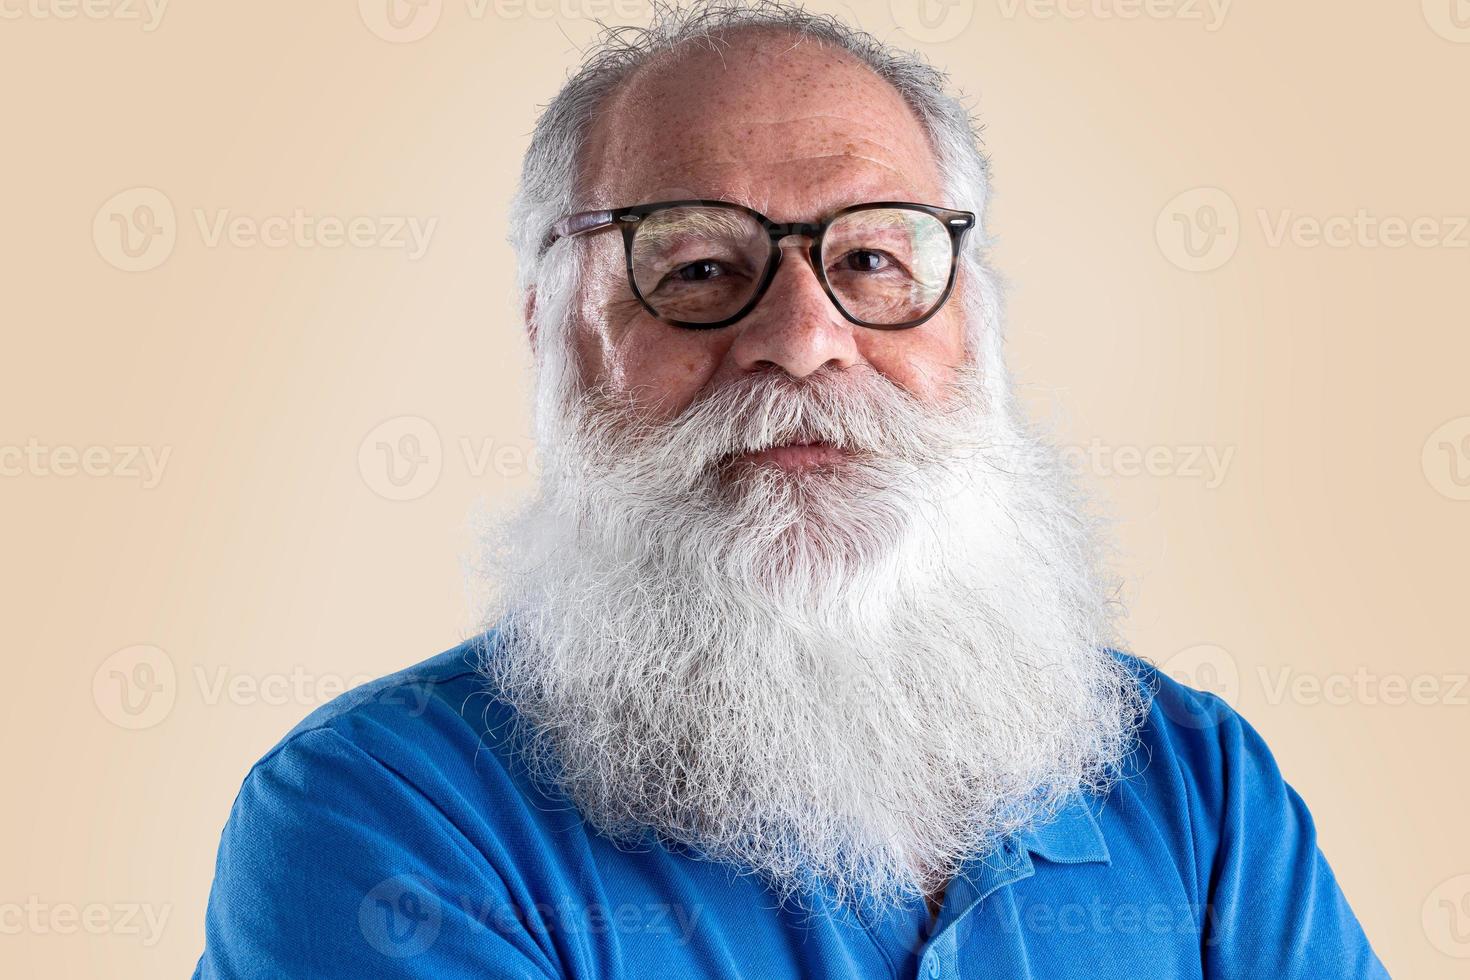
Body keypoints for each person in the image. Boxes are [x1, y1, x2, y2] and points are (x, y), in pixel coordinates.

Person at [194, 2, 1386, 976]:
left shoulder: (1197, 788)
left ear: (975, 321)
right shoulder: (385, 823)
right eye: (700, 265)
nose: (806, 334)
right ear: (549, 332)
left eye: (874, 257)